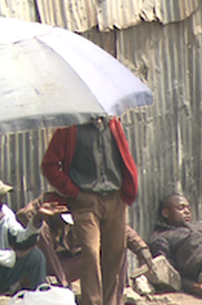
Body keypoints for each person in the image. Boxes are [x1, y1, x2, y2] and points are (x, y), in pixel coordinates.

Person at [41, 116, 138, 305]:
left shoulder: (113, 125)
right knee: (91, 252)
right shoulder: (69, 128)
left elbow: (123, 158)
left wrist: (125, 192)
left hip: (114, 198)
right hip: (86, 200)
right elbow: (49, 165)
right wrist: (74, 192)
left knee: (114, 254)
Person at [17, 193, 152, 294]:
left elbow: (119, 228)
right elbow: (22, 215)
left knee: (115, 245)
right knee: (39, 229)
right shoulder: (49, 198)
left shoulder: (89, 202)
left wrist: (141, 248)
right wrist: (39, 216)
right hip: (47, 267)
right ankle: (59, 285)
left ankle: (113, 297)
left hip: (75, 263)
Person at [0, 178, 65, 294]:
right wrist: (14, 256)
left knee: (35, 255)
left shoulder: (5, 213)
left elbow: (21, 236)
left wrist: (37, 220)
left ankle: (40, 297)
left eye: (2, 196)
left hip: (3, 272)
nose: (2, 201)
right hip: (4, 262)